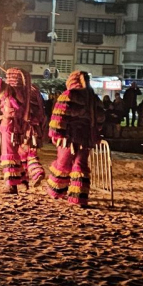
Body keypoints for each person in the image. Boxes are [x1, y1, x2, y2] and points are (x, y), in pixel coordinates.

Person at [47, 71, 105, 208]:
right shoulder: (94, 98)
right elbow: (101, 119)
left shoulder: (69, 94)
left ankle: (57, 191)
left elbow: (59, 115)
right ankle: (79, 197)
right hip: (86, 137)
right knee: (80, 165)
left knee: (63, 163)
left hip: (69, 136)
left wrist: (56, 134)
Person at [0, 64, 46, 193]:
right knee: (22, 154)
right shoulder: (26, 92)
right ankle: (24, 180)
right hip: (21, 127)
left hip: (10, 126)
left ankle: (11, 185)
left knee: (9, 155)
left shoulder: (13, 91)